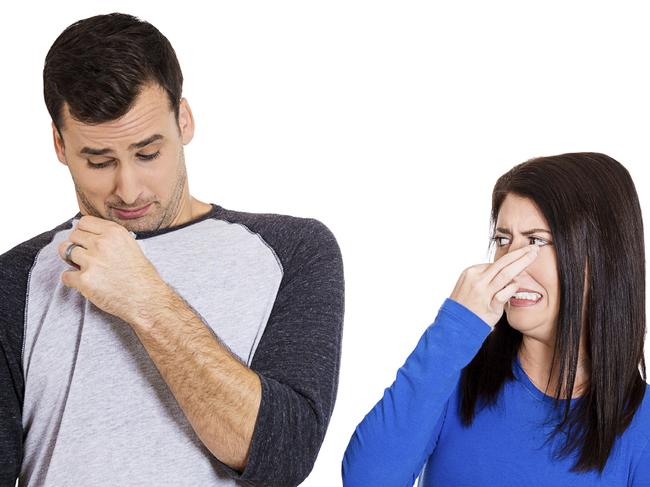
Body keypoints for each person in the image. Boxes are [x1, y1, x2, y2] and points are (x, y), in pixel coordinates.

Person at [0, 12, 344, 487]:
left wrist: (146, 300)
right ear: (60, 145)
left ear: (184, 120)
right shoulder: (15, 281)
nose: (129, 189)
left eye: (147, 153)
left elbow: (281, 459)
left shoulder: (293, 252)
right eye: (99, 161)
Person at [342, 152, 650, 486]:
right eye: (503, 240)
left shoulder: (642, 426)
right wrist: (454, 327)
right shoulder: (452, 376)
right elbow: (364, 478)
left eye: (535, 240)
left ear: (600, 257)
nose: (509, 265)